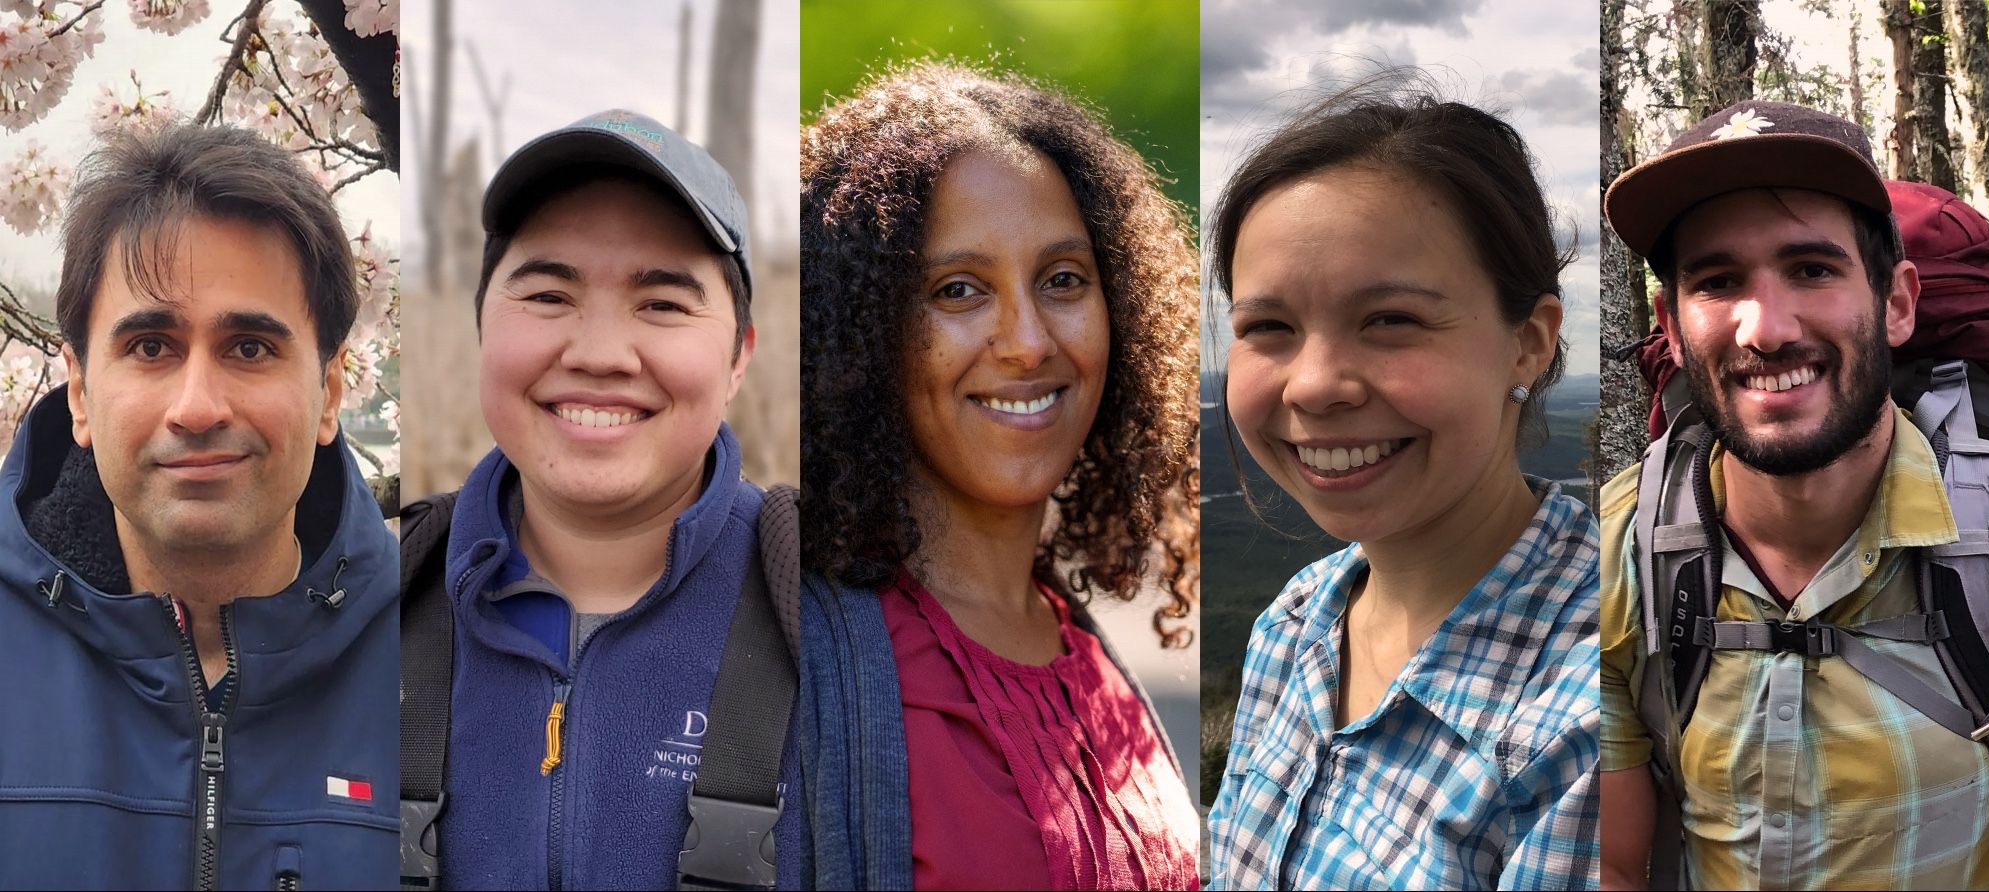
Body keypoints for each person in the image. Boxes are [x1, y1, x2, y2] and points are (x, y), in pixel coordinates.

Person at [797, 62, 1202, 891]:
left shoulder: (1084, 649)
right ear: (862, 334)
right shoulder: (799, 672)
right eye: (958, 289)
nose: (1027, 340)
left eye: (1062, 280)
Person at [1204, 84, 1600, 891]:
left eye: (1389, 320)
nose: (1314, 386)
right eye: (1268, 328)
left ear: (1527, 344)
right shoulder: (1297, 624)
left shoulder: (1589, 715)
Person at [396, 108, 802, 891]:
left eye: (663, 304)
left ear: (738, 359)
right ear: (482, 324)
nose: (599, 354)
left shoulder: (827, 617)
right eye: (548, 295)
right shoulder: (380, 601)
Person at [1599, 100, 1989, 890]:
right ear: (1672, 329)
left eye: (1811, 269)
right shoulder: (1622, 549)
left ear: (1896, 304)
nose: (1766, 328)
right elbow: (1615, 867)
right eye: (1717, 281)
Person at [0, 125, 399, 890]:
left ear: (331, 393)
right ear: (79, 393)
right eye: (151, 346)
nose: (197, 406)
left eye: (250, 347)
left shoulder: (432, 661)